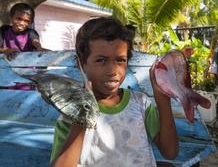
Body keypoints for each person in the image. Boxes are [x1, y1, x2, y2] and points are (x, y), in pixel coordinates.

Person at [50, 17, 179, 167]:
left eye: (120, 60)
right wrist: (83, 115)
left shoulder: (140, 104)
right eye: (101, 60)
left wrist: (162, 97)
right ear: (82, 64)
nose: (112, 71)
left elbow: (170, 152)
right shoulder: (71, 115)